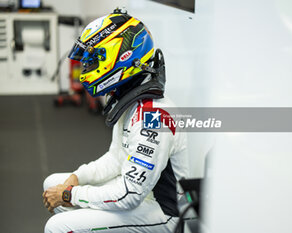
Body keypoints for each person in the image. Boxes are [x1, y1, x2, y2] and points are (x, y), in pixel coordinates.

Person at [42, 8, 189, 233]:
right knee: (52, 183)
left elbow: (129, 194)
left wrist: (70, 194)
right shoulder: (130, 98)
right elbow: (115, 159)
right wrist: (77, 178)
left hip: (163, 212)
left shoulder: (153, 117)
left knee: (58, 227)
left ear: (120, 57)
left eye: (93, 59)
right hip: (140, 193)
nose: (86, 68)